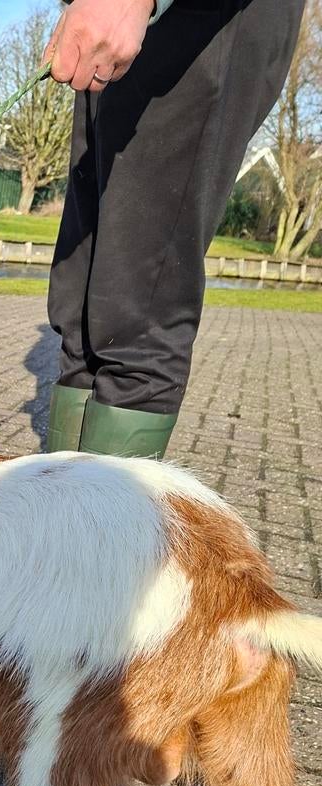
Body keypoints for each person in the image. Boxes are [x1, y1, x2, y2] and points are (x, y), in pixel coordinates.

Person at [42, 0, 306, 457]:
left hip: (207, 19)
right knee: (81, 321)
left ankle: (109, 526)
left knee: (136, 327)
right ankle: (62, 515)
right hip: (127, 23)